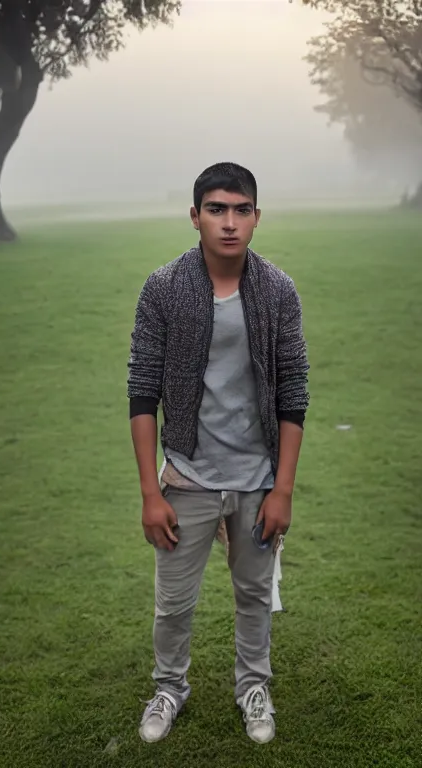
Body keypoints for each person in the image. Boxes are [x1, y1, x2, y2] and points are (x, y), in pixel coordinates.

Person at [127, 162, 309, 745]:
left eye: (240, 210)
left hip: (257, 480)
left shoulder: (277, 290)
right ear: (195, 216)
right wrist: (151, 493)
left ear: (257, 217)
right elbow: (142, 391)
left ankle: (253, 686)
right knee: (173, 603)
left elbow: (294, 390)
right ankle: (168, 687)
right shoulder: (164, 288)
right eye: (216, 209)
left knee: (254, 597)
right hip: (187, 476)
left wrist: (282, 488)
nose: (228, 223)